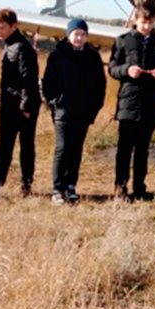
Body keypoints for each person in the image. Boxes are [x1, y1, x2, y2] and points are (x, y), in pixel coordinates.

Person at [109, 4, 155, 201]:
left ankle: (139, 189)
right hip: (128, 103)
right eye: (143, 22)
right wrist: (126, 70)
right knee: (124, 149)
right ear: (136, 20)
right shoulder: (122, 41)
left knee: (142, 150)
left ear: (154, 22)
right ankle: (120, 189)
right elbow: (112, 68)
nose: (146, 26)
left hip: (150, 104)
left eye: (150, 22)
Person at [42, 19, 106, 205]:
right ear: (69, 35)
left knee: (76, 150)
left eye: (83, 34)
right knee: (62, 149)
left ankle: (71, 186)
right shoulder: (58, 55)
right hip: (63, 111)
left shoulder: (93, 57)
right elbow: (48, 82)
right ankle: (57, 188)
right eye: (76, 34)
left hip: (84, 113)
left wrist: (94, 107)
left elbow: (99, 85)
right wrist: (55, 103)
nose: (79, 38)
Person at [0, 9, 41, 197]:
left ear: (14, 26)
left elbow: (29, 79)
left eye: (2, 28)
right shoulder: (8, 45)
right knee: (4, 145)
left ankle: (26, 185)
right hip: (8, 104)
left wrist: (26, 106)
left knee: (26, 147)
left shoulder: (22, 48)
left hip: (22, 107)